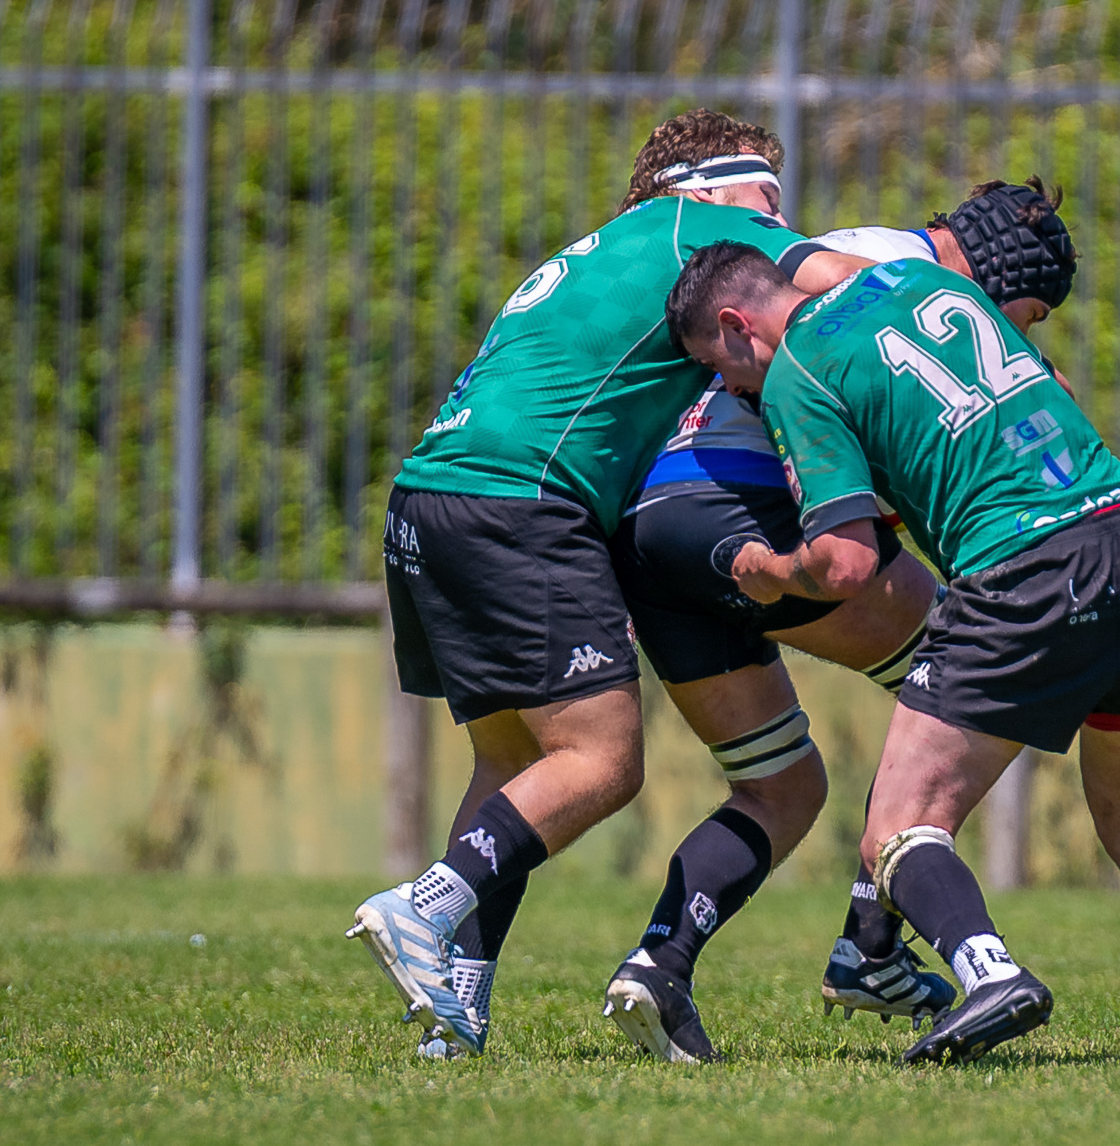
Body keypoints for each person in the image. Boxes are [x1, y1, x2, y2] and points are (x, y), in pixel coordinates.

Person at [347, 110, 875, 1060]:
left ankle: (454, 1018)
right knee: (601, 762)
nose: (779, 219)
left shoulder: (606, 248)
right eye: (766, 194)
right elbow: (848, 287)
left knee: (516, 766)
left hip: (432, 495)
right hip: (522, 501)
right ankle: (423, 902)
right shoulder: (693, 233)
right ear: (707, 187)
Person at [663, 245, 1120, 1068]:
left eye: (713, 366)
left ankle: (990, 974)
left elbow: (845, 563)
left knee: (897, 831)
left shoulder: (797, 369)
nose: (727, 390)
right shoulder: (920, 281)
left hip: (1027, 572)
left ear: (735, 326)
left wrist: (766, 570)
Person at [603, 180, 1081, 1062]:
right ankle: (870, 948)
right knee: (978, 682)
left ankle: (659, 965)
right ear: (1007, 280)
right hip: (745, 513)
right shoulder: (899, 280)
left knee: (781, 785)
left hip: (660, 526)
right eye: (1033, 314)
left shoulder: (857, 249)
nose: (1025, 331)